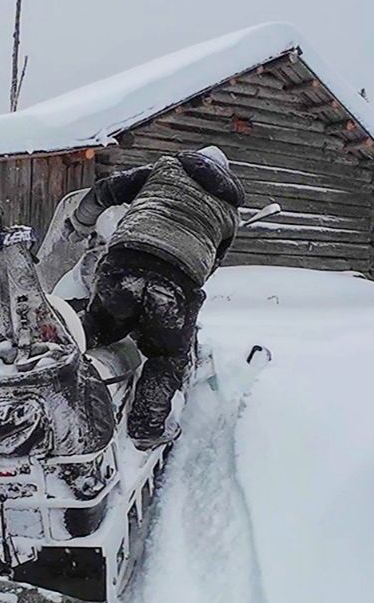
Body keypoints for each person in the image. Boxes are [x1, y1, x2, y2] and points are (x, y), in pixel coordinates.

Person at [58, 145, 244, 448]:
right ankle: (146, 428)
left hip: (125, 259)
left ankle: (52, 374)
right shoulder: (229, 213)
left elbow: (106, 190)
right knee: (166, 354)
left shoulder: (165, 169)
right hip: (178, 280)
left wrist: (79, 224)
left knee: (96, 326)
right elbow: (213, 263)